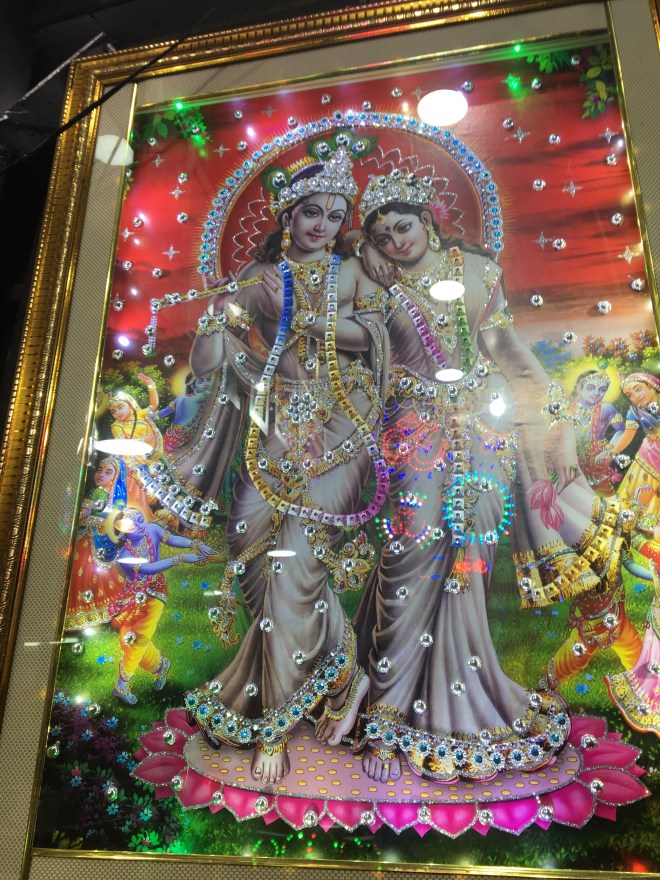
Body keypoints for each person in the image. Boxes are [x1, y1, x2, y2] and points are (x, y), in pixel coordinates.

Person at [352, 169, 632, 783]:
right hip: (413, 436)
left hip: (481, 434)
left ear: (427, 221)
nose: (397, 241)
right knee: (410, 557)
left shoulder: (476, 271)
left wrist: (557, 424)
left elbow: (510, 354)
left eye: (403, 226)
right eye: (383, 235)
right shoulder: (373, 283)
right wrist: (360, 257)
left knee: (470, 560)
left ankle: (455, 699)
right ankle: (386, 714)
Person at [183, 147, 388, 785]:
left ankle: (274, 721)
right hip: (276, 425)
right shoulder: (257, 274)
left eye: (334, 215)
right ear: (287, 215)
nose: (323, 225)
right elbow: (207, 362)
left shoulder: (354, 272)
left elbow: (375, 339)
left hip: (342, 425)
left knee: (296, 565)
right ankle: (341, 673)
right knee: (249, 550)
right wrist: (224, 312)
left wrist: (301, 314)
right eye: (310, 212)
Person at [109, 507, 220, 704]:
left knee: (137, 638)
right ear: (123, 531)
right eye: (133, 525)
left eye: (141, 519)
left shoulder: (152, 529)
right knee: (127, 639)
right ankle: (160, 666)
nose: (141, 526)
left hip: (155, 592)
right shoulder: (125, 554)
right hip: (134, 595)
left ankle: (122, 685)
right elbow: (149, 568)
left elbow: (171, 539)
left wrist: (195, 544)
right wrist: (181, 558)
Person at [64, 456, 128, 631]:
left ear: (116, 477)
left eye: (108, 472)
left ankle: (94, 610)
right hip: (88, 539)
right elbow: (84, 513)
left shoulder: (107, 496)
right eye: (99, 470)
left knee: (92, 573)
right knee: (85, 571)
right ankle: (92, 611)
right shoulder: (101, 494)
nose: (101, 475)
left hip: (99, 540)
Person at [568, 369, 624, 495]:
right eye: (590, 388)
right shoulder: (569, 408)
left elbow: (621, 430)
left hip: (598, 457)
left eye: (602, 390)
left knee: (603, 495)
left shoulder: (607, 408)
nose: (597, 393)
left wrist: (608, 450)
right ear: (579, 388)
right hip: (572, 459)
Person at [157, 373, 215, 454]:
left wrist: (150, 416)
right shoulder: (199, 397)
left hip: (171, 434)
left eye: (208, 380)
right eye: (201, 382)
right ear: (193, 386)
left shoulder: (180, 397)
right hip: (183, 437)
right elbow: (213, 392)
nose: (206, 384)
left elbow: (164, 412)